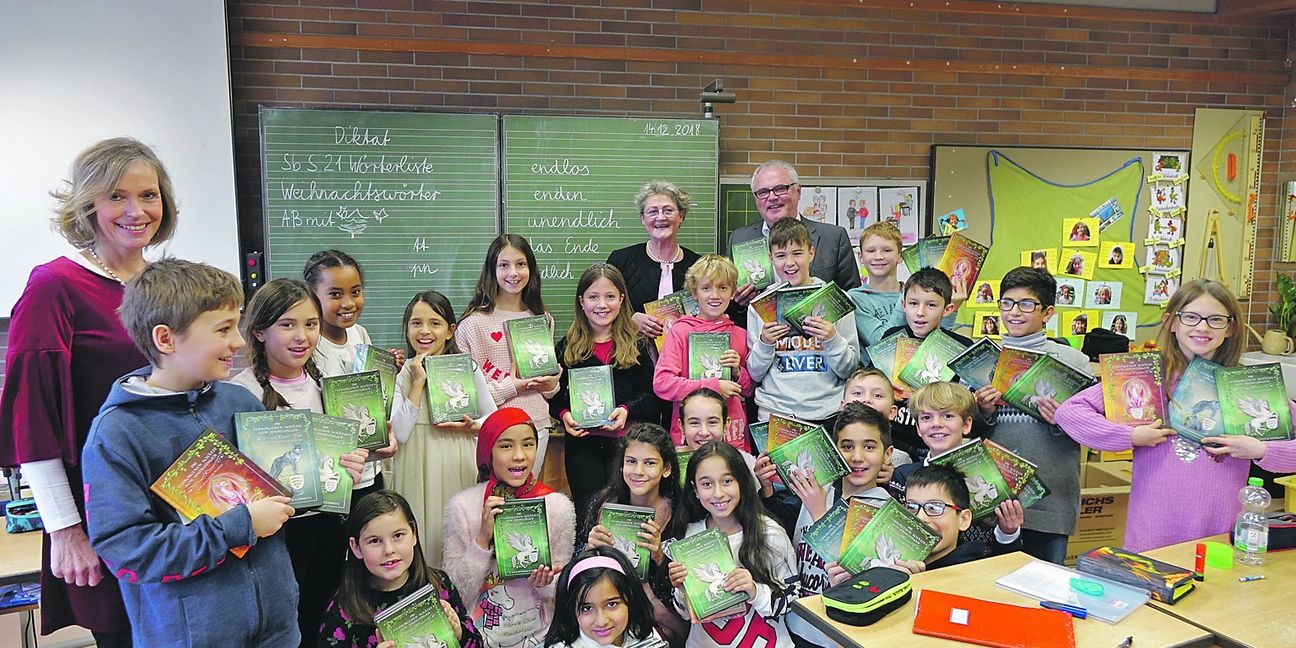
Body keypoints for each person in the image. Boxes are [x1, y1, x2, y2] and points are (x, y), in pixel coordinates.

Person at [0, 137, 178, 645]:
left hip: (179, 508)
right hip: (105, 514)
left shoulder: (164, 285)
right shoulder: (54, 287)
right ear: (87, 205)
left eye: (149, 195)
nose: (136, 210)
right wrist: (64, 530)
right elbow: (32, 422)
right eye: (116, 196)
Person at [81, 259, 299, 646]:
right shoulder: (117, 434)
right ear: (166, 339)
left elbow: (279, 495)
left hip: (277, 631)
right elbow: (130, 553)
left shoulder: (239, 401)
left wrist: (327, 473)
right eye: (223, 329)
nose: (240, 342)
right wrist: (239, 525)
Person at [1056, 279, 1296, 551]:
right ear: (1171, 322)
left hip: (1219, 530)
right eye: (1191, 317)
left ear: (1229, 328)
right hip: (1152, 529)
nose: (1202, 327)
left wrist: (1261, 449)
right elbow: (1070, 412)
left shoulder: (1245, 384)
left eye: (1215, 319)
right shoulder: (1147, 376)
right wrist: (1131, 435)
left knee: (1215, 590)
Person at [228, 278, 370, 643]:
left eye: (310, 324)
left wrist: (352, 466)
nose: (301, 336)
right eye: (287, 325)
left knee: (321, 616)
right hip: (277, 533)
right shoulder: (240, 393)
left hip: (329, 523)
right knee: (282, 623)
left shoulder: (328, 385)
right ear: (259, 331)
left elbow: (344, 459)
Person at [970, 267, 1093, 564]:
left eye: (1027, 304)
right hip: (991, 497)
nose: (1015, 312)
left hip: (1051, 499)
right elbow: (961, 432)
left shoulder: (1074, 362)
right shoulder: (981, 358)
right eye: (1007, 303)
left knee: (1043, 586)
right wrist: (982, 411)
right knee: (988, 588)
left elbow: (1092, 429)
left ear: (1047, 312)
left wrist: (1062, 420)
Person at [443, 407, 577, 647]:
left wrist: (545, 583)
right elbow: (457, 594)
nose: (519, 456)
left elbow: (564, 592)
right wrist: (482, 539)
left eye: (528, 444)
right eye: (506, 446)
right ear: (488, 452)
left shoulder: (557, 507)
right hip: (481, 635)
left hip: (539, 634)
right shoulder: (462, 507)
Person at [772, 403, 894, 646]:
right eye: (847, 446)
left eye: (869, 447)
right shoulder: (818, 490)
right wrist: (767, 491)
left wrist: (820, 513)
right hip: (797, 624)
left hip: (838, 636)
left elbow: (861, 577)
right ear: (834, 451)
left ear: (887, 454)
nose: (857, 457)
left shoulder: (885, 510)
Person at [389, 290, 495, 568]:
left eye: (434, 323)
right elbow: (399, 432)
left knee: (454, 534)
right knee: (420, 533)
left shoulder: (466, 368)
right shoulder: (403, 374)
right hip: (414, 463)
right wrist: (417, 382)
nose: (425, 331)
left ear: (450, 331)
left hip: (455, 459)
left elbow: (493, 420)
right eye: (416, 323)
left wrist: (473, 426)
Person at [552, 264, 666, 516]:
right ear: (581, 302)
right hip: (584, 448)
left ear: (621, 300)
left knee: (624, 513)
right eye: (593, 297)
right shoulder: (568, 347)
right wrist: (563, 415)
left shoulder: (637, 345)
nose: (601, 305)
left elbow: (654, 395)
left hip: (627, 449)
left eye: (610, 297)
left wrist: (626, 410)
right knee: (588, 513)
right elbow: (554, 394)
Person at [668, 442, 798, 648]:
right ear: (695, 489)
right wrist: (680, 588)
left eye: (727, 481)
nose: (718, 493)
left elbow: (793, 599)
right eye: (707, 484)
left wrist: (755, 591)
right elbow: (685, 613)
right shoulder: (689, 534)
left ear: (742, 482)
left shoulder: (769, 533)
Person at [317, 490, 481, 648]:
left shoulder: (439, 584)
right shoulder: (343, 609)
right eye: (375, 541)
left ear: (414, 534)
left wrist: (460, 633)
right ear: (356, 547)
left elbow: (476, 643)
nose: (389, 550)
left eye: (398, 536)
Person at [456, 234, 562, 476]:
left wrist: (551, 384)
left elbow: (546, 390)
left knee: (525, 500)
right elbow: (467, 400)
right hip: (492, 427)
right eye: (503, 265)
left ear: (531, 269)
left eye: (521, 264)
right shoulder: (472, 325)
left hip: (535, 425)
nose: (513, 273)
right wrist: (511, 386)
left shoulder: (542, 318)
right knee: (495, 501)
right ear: (491, 270)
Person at [577, 424, 687, 645]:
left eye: (650, 463)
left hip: (657, 618)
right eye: (631, 461)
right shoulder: (602, 504)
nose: (638, 471)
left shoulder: (679, 515)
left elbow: (684, 592)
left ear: (666, 469)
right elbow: (577, 569)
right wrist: (590, 549)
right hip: (604, 612)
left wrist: (659, 558)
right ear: (621, 466)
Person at [304, 249, 399, 501]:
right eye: (335, 294)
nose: (348, 303)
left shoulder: (360, 333)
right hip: (335, 476)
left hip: (370, 468)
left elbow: (370, 395)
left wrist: (387, 369)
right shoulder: (307, 346)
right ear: (312, 296)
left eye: (355, 292)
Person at [747, 218, 860, 425]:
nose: (789, 263)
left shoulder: (836, 298)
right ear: (770, 258)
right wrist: (765, 342)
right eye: (781, 256)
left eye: (797, 253)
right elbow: (754, 372)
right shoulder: (759, 305)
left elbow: (850, 369)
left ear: (811, 252)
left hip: (828, 414)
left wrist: (832, 338)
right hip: (775, 413)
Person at [729, 160, 861, 308]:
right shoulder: (740, 240)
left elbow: (852, 298)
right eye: (763, 192)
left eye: (780, 189)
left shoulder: (833, 238)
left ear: (798, 191)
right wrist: (738, 304)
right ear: (755, 199)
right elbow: (726, 304)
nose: (772, 197)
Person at [653, 255, 752, 449]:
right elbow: (662, 383)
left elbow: (750, 390)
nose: (715, 295)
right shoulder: (680, 331)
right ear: (694, 292)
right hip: (690, 438)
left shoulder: (741, 334)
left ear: (732, 292)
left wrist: (738, 372)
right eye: (706, 288)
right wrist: (714, 386)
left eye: (722, 288)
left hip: (732, 438)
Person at [606, 180, 703, 339]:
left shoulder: (699, 266)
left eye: (668, 210)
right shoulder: (620, 260)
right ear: (642, 219)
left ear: (681, 216)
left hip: (684, 356)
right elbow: (601, 307)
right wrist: (630, 319)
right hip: (631, 356)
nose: (660, 217)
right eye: (652, 211)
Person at [897, 465, 1023, 572]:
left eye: (934, 508)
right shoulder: (893, 562)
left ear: (964, 519)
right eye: (911, 507)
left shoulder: (974, 575)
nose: (920, 518)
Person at [544, 548, 664, 648]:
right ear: (572, 609)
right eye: (587, 608)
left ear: (630, 599)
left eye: (611, 604)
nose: (601, 621)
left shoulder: (646, 636)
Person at [847, 221, 906, 348]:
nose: (878, 256)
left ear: (900, 256)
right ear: (861, 257)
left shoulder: (916, 294)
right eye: (871, 251)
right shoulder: (855, 298)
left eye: (887, 250)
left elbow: (936, 338)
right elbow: (880, 342)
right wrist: (907, 297)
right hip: (874, 368)